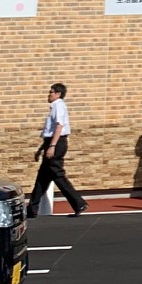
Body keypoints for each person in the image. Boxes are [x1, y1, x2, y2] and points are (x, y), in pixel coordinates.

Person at [29, 82, 88, 216]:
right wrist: (42, 148)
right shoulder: (55, 106)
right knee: (42, 178)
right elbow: (50, 131)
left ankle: (79, 203)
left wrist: (52, 146)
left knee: (58, 175)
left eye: (51, 92)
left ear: (58, 94)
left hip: (57, 143)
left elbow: (59, 126)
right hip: (51, 142)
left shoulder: (58, 105)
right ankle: (32, 209)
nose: (49, 94)